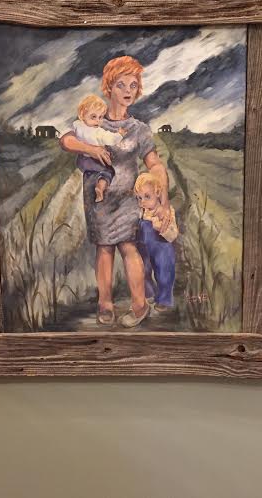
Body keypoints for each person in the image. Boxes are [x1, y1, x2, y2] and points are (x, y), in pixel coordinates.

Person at [60, 55, 171, 327]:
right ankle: (105, 304)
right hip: (99, 200)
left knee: (129, 246)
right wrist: (91, 149)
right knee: (104, 248)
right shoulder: (93, 120)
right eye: (121, 85)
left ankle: (139, 306)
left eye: (133, 85)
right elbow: (66, 140)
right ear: (108, 87)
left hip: (128, 198)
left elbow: (155, 164)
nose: (127, 91)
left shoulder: (139, 129)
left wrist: (163, 198)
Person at [130, 172, 177, 320]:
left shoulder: (165, 212)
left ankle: (164, 299)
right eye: (139, 198)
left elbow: (173, 233)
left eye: (147, 196)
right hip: (144, 247)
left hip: (162, 248)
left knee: (164, 272)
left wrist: (161, 228)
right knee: (143, 270)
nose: (142, 201)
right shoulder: (141, 213)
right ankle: (149, 294)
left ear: (157, 193)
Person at [73, 94, 127, 202]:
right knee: (109, 171)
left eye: (100, 117)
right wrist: (120, 135)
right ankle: (100, 187)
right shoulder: (98, 132)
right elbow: (111, 139)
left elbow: (70, 136)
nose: (97, 121)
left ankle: (92, 177)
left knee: (92, 173)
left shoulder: (77, 126)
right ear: (82, 115)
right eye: (93, 117)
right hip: (94, 160)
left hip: (82, 161)